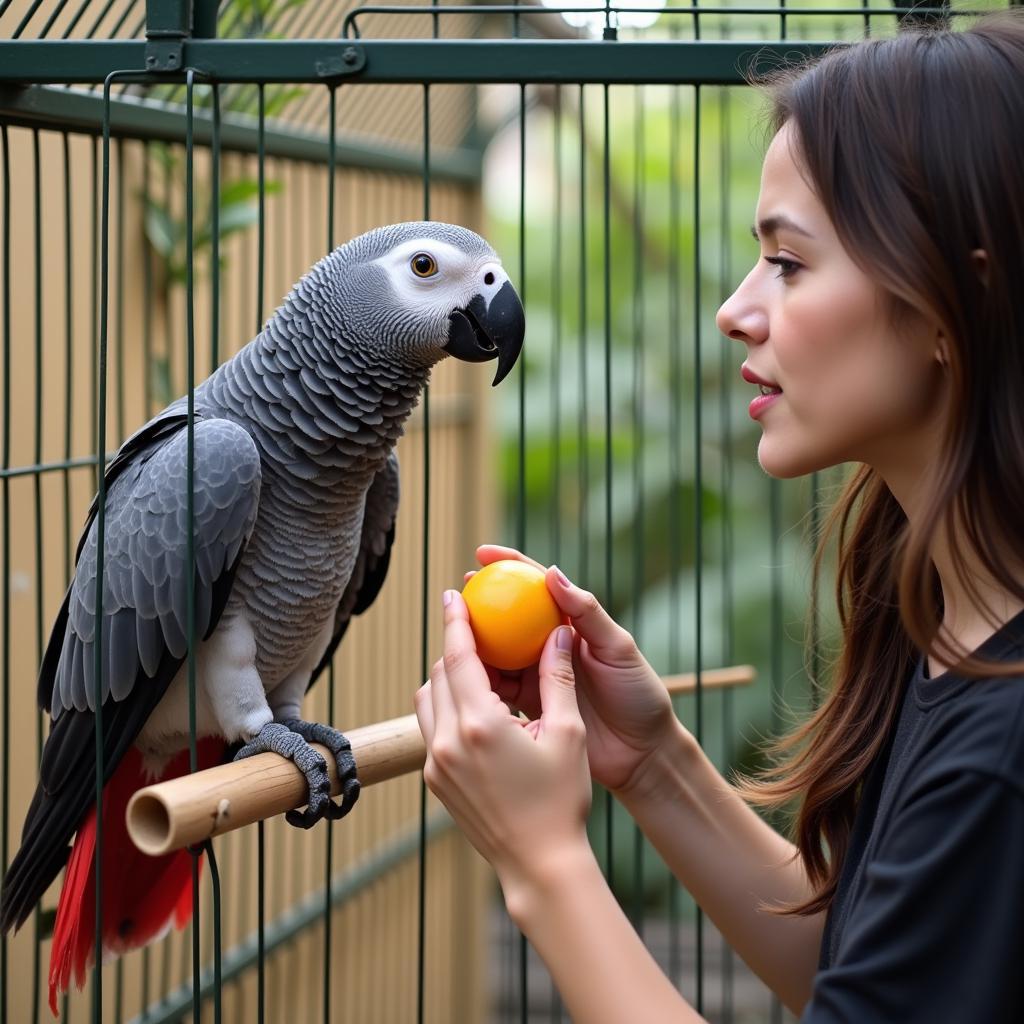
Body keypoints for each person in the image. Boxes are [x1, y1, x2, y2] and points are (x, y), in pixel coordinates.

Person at [413, 12, 1024, 1022]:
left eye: (787, 263)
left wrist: (546, 865)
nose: (735, 309)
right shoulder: (956, 634)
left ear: (958, 297)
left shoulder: (1001, 741)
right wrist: (652, 764)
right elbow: (873, 976)